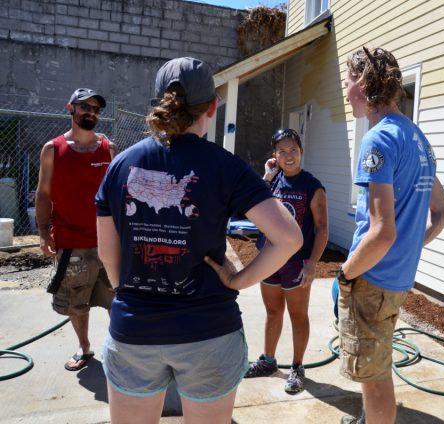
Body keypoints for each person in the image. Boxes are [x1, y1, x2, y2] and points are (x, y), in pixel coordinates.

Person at [95, 57, 302, 424]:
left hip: (134, 330)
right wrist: (237, 280)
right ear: (212, 106)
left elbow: (108, 255)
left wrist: (126, 293)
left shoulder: (121, 165)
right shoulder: (227, 166)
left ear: (159, 102)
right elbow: (288, 238)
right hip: (209, 331)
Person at [337, 47, 444, 424]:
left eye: (348, 81)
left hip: (372, 280)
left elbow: (381, 233)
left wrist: (345, 273)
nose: (345, 89)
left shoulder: (379, 140)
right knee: (377, 367)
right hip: (397, 279)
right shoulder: (418, 140)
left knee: (374, 378)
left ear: (365, 84)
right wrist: (410, 248)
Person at [35, 87, 116, 372]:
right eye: (85, 107)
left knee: (116, 300)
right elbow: (43, 195)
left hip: (107, 244)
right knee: (75, 303)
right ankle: (84, 348)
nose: (91, 113)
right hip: (71, 244)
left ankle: (120, 349)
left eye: (95, 109)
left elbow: (118, 196)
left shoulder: (109, 149)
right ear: (71, 109)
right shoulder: (53, 149)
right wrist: (44, 233)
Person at [244, 128, 328, 395]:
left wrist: (312, 262)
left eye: (293, 150)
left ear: (301, 152)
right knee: (272, 312)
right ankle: (268, 360)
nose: (288, 155)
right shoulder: (273, 181)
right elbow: (251, 204)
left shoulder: (312, 186)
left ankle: (297, 367)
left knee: (298, 315)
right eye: (282, 151)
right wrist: (267, 175)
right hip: (270, 260)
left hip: (296, 263)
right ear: (274, 156)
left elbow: (323, 228)